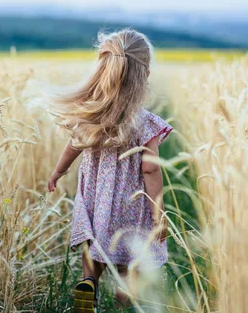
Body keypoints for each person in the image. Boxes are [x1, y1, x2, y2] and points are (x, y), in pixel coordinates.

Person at [47, 29, 172, 312]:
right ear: (145, 75)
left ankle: (88, 283)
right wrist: (158, 212)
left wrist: (58, 172)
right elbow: (150, 171)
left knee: (94, 246)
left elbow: (72, 146)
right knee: (132, 258)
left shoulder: (92, 115)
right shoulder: (147, 123)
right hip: (132, 204)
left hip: (95, 199)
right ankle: (122, 302)